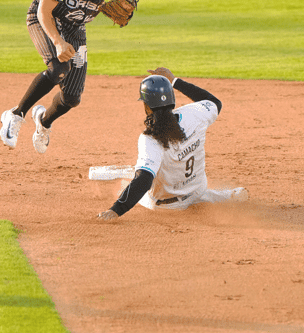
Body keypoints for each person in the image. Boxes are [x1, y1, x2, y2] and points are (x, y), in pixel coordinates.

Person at [0, 0, 130, 154]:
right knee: (59, 68)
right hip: (46, 20)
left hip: (75, 27)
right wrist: (58, 42)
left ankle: (44, 122)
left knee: (71, 98)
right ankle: (16, 114)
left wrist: (123, 7)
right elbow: (43, 11)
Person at [97, 68, 248, 220]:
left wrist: (116, 210)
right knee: (189, 186)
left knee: (128, 183)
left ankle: (217, 196)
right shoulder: (195, 114)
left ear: (147, 106)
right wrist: (175, 81)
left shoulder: (150, 138)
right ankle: (224, 196)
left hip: (169, 206)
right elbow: (214, 102)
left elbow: (144, 180)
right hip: (198, 189)